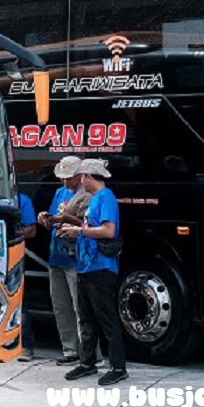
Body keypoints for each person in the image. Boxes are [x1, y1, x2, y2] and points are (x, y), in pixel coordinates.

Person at [58, 158, 127, 386]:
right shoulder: (97, 198)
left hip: (101, 267)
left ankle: (118, 367)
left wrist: (79, 232)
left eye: (81, 177)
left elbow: (108, 231)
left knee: (106, 317)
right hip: (87, 265)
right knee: (86, 316)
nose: (79, 181)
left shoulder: (105, 197)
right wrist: (76, 230)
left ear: (88, 176)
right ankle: (88, 362)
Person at [37, 156, 91, 366]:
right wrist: (46, 220)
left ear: (79, 176)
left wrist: (67, 220)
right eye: (63, 178)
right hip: (56, 255)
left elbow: (88, 223)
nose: (65, 182)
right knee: (61, 306)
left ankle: (89, 352)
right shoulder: (60, 193)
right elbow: (54, 221)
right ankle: (70, 350)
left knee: (81, 308)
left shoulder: (86, 194)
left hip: (76, 257)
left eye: (69, 178)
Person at [17, 192, 38, 362]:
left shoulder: (22, 199)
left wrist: (10, 234)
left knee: (19, 301)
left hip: (13, 255)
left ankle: (26, 344)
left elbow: (31, 230)